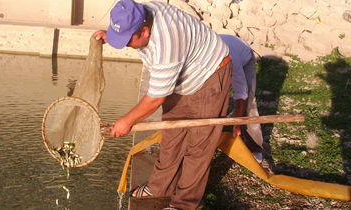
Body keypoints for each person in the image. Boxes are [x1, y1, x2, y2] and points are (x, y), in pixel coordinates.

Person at [93, 0, 232, 209]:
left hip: (209, 75)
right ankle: (160, 187)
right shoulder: (139, 12)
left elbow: (155, 100)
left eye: (127, 40)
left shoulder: (166, 43)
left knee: (198, 147)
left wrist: (126, 121)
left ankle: (184, 203)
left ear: (146, 31)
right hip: (183, 72)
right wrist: (114, 36)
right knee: (171, 137)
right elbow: (130, 32)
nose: (126, 45)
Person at [219, 34, 263, 163]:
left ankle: (255, 148)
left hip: (244, 58)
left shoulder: (233, 60)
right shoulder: (203, 57)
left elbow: (241, 94)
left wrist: (237, 123)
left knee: (249, 102)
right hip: (227, 50)